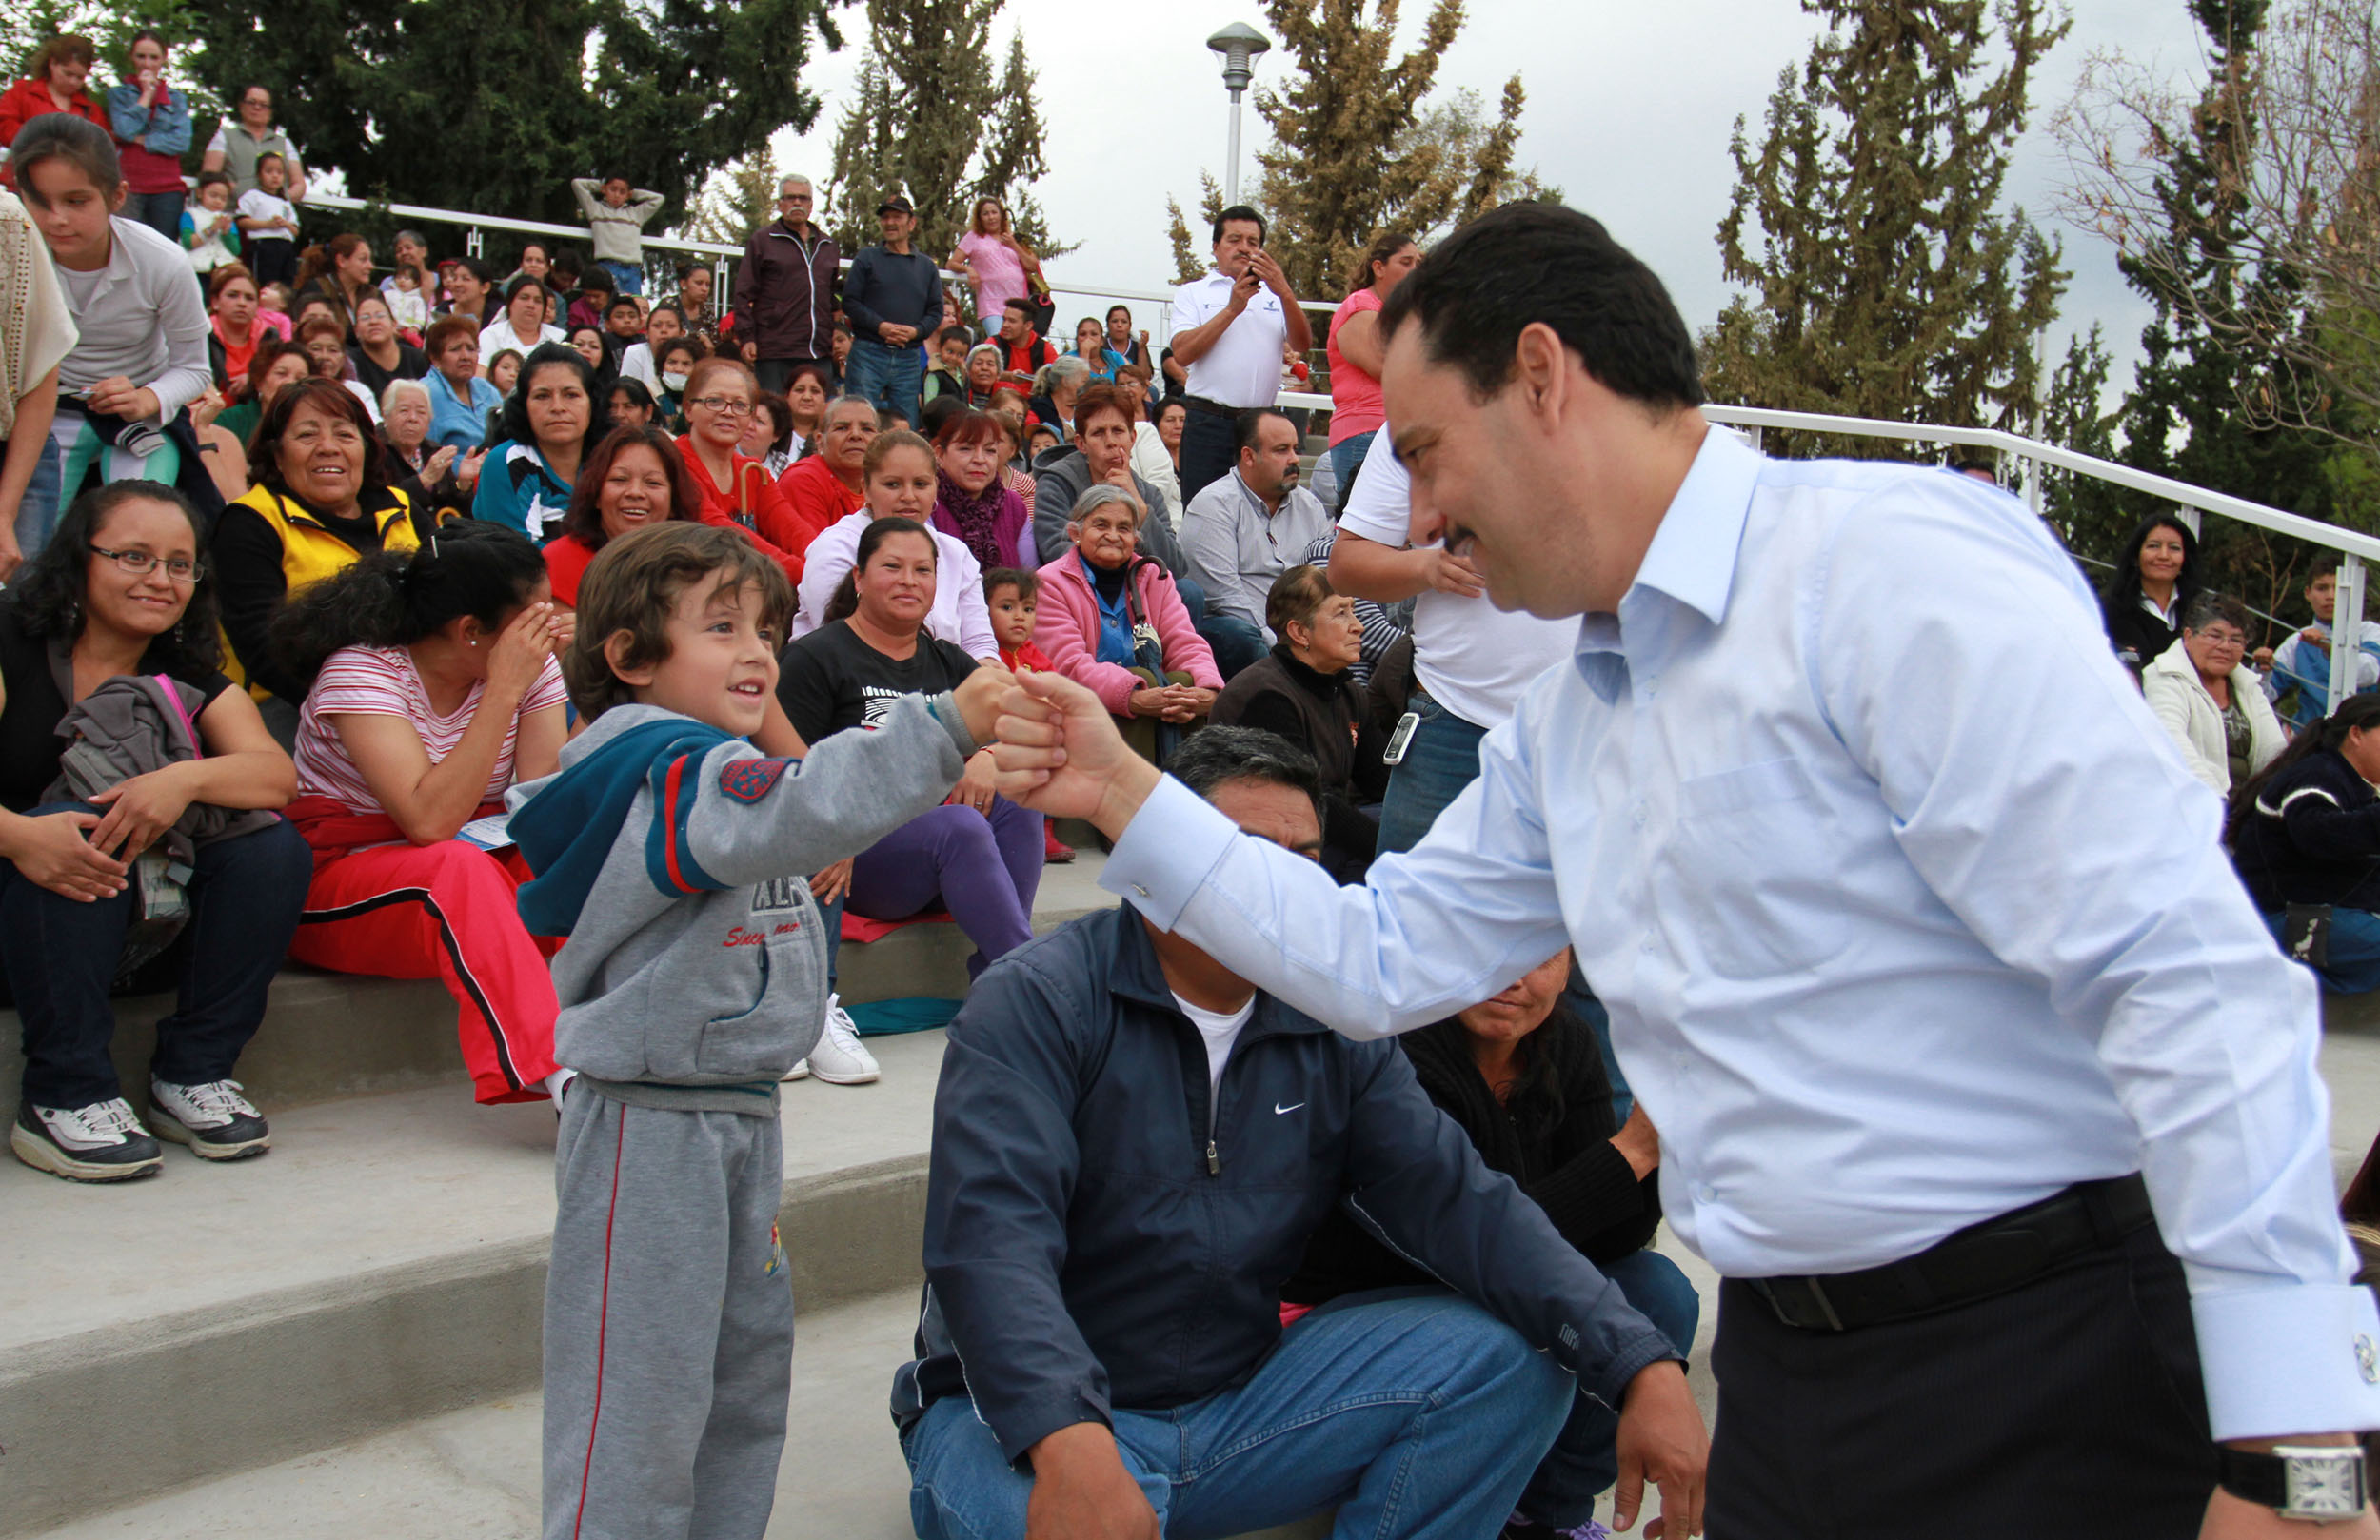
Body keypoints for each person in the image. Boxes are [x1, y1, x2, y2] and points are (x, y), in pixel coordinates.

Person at [989, 201, 2380, 1539]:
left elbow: (2184, 971)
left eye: (1423, 449)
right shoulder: (1571, 722)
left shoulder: (1886, 571)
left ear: (1543, 375)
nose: (1417, 509)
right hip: (1787, 1371)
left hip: (2053, 1364)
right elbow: (1374, 955)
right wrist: (1121, 788)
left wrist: (2298, 1448)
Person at [894, 725, 1704, 1540]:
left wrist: (1641, 1364)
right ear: (1160, 852)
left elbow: (1466, 1206)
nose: (1277, 883)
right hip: (1024, 1426)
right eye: (1244, 853)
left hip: (1237, 1406)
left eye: (1305, 859)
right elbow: (992, 1245)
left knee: (1518, 1358)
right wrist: (1069, 1440)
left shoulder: (1330, 1022)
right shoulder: (1038, 999)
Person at [516, 522, 1002, 1539]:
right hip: (653, 1130)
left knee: (740, 1383)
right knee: (639, 1402)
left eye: (767, 631)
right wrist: (944, 724)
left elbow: (793, 806)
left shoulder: (714, 774)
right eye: (722, 627)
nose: (757, 653)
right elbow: (802, 800)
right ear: (630, 656)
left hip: (735, 1114)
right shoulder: (662, 767)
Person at [1281, 944, 1695, 1539]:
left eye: (1541, 958)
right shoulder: (1398, 1051)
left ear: (1570, 970)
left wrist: (1656, 1150)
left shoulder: (1565, 1043)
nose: (1514, 978)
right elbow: (1481, 1242)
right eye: (1493, 947)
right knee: (1522, 1331)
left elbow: (1609, 1239)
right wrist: (1628, 1152)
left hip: (1486, 1278)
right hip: (1370, 1298)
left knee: (1656, 1290)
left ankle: (1542, 1517)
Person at [1, 483, 308, 1181]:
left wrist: (180, 781)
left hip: (127, 928)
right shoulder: (12, 641)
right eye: (134, 557)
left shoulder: (185, 675)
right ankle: (62, 1093)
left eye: (179, 564)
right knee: (71, 827)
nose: (160, 580)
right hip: (19, 913)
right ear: (80, 557)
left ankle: (194, 1074)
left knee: (271, 849)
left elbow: (275, 777)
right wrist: (18, 837)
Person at [269, 523, 567, 1108]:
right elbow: (427, 822)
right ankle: (559, 1075)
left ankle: (640, 1040)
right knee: (455, 867)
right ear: (470, 631)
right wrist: (504, 692)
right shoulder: (362, 673)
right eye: (533, 615)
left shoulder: (530, 667)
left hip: (472, 862)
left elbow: (543, 807)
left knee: (569, 857)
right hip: (343, 883)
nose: (550, 626)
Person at [779, 515, 1035, 981]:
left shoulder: (946, 659)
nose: (909, 581)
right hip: (859, 860)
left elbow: (1022, 723)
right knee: (958, 825)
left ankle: (998, 974)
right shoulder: (815, 658)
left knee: (1020, 790)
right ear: (859, 578)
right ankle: (1025, 977)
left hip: (948, 857)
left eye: (923, 570)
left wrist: (989, 755)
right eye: (892, 567)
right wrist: (835, 831)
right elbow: (786, 773)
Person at [1331, 427, 1575, 859]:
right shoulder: (1418, 418)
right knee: (1408, 900)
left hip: (1589, 730)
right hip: (1452, 720)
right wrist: (1427, 567)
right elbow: (1346, 565)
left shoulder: (1621, 413)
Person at [18, 114, 217, 528]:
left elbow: (195, 369)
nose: (56, 219)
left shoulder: (164, 261)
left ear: (117, 196)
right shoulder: (13, 256)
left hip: (140, 417)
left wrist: (147, 398)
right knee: (31, 540)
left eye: (76, 201)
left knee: (137, 526)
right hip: (47, 414)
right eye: (39, 200)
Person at [1210, 564, 1386, 878]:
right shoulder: (1266, 695)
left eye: (1354, 611)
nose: (1358, 626)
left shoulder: (1347, 691)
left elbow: (1380, 782)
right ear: (1300, 632)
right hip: (1261, 850)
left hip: (1318, 831)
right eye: (1341, 614)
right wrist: (1391, 849)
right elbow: (1308, 800)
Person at [1033, 484, 1220, 764]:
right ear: (1076, 533)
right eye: (1101, 525)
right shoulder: (1049, 583)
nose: (1113, 535)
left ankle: (1190, 785)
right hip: (1082, 710)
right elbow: (1068, 665)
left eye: (1123, 528)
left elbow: (1184, 641)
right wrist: (1132, 697)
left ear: (1135, 538)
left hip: (1153, 703)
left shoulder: (1154, 576)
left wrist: (1208, 690)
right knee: (1147, 682)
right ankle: (1140, 788)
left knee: (1185, 685)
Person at [795, 432, 995, 659]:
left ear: (936, 487)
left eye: (920, 484)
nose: (909, 496)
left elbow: (980, 645)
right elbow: (838, 639)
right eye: (893, 484)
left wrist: (986, 668)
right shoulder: (835, 547)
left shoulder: (955, 553)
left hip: (949, 676)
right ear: (866, 488)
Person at [2230, 695, 2380, 994]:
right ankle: (2276, 982)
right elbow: (2317, 835)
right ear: (2356, 733)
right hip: (2275, 919)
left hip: (2320, 915)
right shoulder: (2316, 775)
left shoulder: (2348, 781)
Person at [1168, 205, 1310, 503]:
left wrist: (1285, 291)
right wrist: (1232, 309)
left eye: (1253, 242)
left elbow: (1302, 343)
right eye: (1234, 240)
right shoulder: (1193, 293)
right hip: (1209, 423)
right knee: (1204, 509)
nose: (1244, 248)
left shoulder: (1275, 296)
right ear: (1216, 247)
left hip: (1261, 426)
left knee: (1263, 511)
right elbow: (1182, 353)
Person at [1180, 407, 1332, 644]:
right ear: (1249, 456)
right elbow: (1225, 598)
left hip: (1304, 634)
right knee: (1242, 635)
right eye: (1282, 450)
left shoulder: (1310, 506)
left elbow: (1325, 581)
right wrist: (1281, 645)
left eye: (1295, 449)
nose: (1294, 459)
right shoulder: (1213, 506)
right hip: (1243, 635)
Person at [541, 424, 701, 608]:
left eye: (653, 482)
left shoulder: (695, 567)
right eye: (619, 479)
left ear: (674, 500)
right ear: (596, 495)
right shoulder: (560, 560)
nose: (635, 492)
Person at [2144, 591, 2286, 797]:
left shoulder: (2248, 684)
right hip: (2192, 798)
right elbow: (2172, 743)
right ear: (2188, 637)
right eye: (2215, 636)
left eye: (2236, 640)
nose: (2225, 647)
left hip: (2248, 803)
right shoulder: (2163, 676)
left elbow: (2275, 751)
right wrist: (2215, 803)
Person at [673, 357, 803, 581]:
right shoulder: (673, 462)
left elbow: (793, 529)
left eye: (740, 405)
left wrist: (824, 562)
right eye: (714, 401)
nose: (728, 412)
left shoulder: (753, 471)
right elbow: (725, 536)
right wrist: (811, 575)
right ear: (688, 409)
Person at [2, 185, 74, 575]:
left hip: (12, 453)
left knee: (19, 602)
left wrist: (5, 513)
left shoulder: (7, 220)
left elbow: (41, 369)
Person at [473, 343, 603, 543]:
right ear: (523, 405)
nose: (557, 407)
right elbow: (519, 554)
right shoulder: (506, 461)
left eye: (571, 395)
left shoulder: (609, 461)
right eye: (542, 396)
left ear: (591, 402)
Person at [1326, 231, 1418, 502]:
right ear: (1379, 267)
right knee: (1366, 522)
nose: (1415, 270)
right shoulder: (1360, 306)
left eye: (1418, 263)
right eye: (1406, 262)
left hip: (1395, 431)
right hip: (1365, 432)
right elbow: (1384, 366)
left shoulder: (1398, 315)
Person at [734, 174, 841, 395]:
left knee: (817, 413)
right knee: (774, 411)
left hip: (818, 352)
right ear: (780, 203)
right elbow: (743, 293)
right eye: (791, 198)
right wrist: (747, 338)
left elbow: (830, 296)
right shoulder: (763, 240)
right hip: (775, 350)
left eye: (803, 198)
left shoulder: (828, 245)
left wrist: (836, 331)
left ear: (811, 205)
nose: (797, 203)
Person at [843, 194, 942, 422]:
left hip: (908, 357)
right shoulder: (866, 258)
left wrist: (916, 331)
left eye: (897, 217)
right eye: (885, 217)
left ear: (911, 223)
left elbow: (936, 311)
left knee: (905, 423)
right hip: (868, 352)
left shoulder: (927, 267)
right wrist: (880, 327)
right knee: (859, 417)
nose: (890, 222)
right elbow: (850, 301)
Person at [2266, 566, 2380, 730]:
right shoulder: (2297, 641)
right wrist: (2262, 668)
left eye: (2339, 589)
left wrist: (2330, 649)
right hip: (2311, 736)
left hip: (2362, 734)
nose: (2330, 596)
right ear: (2307, 593)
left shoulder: (2370, 632)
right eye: (2322, 588)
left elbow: (2367, 675)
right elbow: (2265, 694)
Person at [104, 32, 192, 243]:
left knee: (164, 248)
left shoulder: (177, 99)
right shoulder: (118, 95)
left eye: (154, 57)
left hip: (167, 189)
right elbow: (124, 130)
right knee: (127, 246)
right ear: (131, 57)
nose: (147, 63)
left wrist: (140, 140)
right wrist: (146, 96)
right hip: (128, 186)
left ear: (163, 59)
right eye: (141, 56)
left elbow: (182, 142)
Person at [930, 407, 1036, 573]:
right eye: (966, 449)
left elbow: (1031, 576)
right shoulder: (928, 503)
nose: (980, 460)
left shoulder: (1014, 505)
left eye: (990, 451)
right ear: (940, 455)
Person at [2101, 511, 2200, 677]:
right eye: (2153, 546)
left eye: (2174, 548)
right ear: (2136, 556)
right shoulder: (2109, 610)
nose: (2164, 555)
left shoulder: (2201, 609)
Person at [0, 36, 107, 189]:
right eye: (68, 74)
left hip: (69, 185)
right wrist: (42, 143)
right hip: (23, 182)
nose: (73, 82)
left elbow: (100, 149)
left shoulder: (91, 109)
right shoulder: (23, 92)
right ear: (52, 63)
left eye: (80, 77)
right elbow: (4, 125)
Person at [776, 393, 876, 549]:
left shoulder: (882, 483)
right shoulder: (802, 480)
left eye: (867, 429)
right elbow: (814, 553)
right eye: (842, 428)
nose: (856, 435)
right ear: (819, 441)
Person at [948, 196, 1043, 328]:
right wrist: (968, 269)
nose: (991, 217)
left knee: (1016, 341)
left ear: (1001, 215)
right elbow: (951, 263)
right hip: (991, 304)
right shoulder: (973, 237)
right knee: (997, 339)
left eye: (994, 212)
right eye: (985, 214)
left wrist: (1014, 245)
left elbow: (1032, 266)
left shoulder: (1013, 238)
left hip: (1019, 304)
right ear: (980, 218)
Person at [200, 84, 304, 200]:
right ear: (241, 106)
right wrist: (234, 190)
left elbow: (299, 184)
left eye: (263, 105)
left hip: (275, 210)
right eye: (251, 102)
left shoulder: (284, 143)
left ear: (270, 112)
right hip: (234, 209)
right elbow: (210, 175)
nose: (257, 107)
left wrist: (280, 200)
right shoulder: (224, 136)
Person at [567, 172, 662, 295]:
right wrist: (603, 185)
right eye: (613, 190)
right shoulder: (595, 210)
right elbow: (577, 184)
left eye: (622, 192)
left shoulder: (636, 214)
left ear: (628, 195)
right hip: (608, 267)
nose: (617, 195)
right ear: (604, 190)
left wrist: (632, 193)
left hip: (632, 270)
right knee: (608, 302)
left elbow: (658, 199)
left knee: (633, 302)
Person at [422, 314, 501, 454]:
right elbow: (425, 453)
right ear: (435, 358)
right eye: (455, 349)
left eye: (471, 349)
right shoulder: (426, 394)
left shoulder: (486, 389)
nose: (466, 356)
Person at [208, 337, 307, 448]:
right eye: (281, 373)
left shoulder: (311, 423)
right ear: (259, 381)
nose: (290, 382)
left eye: (300, 378)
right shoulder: (229, 420)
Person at [1114, 363, 1180, 520]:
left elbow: (1161, 483)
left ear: (1145, 388)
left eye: (1131, 384)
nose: (1126, 389)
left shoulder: (1147, 427)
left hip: (1159, 517)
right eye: (1121, 385)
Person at [231, 152, 300, 289]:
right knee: (263, 283)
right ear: (259, 175)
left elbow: (295, 230)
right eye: (269, 171)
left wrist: (285, 224)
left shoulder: (285, 203)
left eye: (279, 172)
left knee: (286, 285)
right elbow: (242, 221)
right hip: (263, 245)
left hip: (285, 246)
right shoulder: (253, 196)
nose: (275, 176)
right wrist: (267, 224)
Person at [347, 289, 428, 401]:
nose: (373, 322)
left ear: (394, 324)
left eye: (380, 316)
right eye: (365, 318)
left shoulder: (417, 358)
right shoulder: (350, 363)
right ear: (356, 330)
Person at [481, 275, 564, 371]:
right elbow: (481, 375)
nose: (531, 305)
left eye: (538, 301)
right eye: (524, 298)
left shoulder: (559, 337)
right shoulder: (491, 335)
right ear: (510, 303)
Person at [182, 173, 241, 290]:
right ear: (200, 193)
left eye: (223, 198)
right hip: (197, 268)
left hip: (224, 268)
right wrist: (212, 229)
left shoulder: (227, 219)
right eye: (213, 195)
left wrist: (226, 233)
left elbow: (236, 250)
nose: (218, 201)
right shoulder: (190, 215)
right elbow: (189, 242)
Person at [614, 300, 683, 392]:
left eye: (671, 326)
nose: (664, 330)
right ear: (646, 333)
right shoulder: (635, 352)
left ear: (681, 334)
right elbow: (627, 393)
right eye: (657, 326)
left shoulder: (689, 356)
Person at [990, 298, 1057, 377]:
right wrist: (1010, 377)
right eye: (1004, 319)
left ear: (1028, 326)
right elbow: (983, 372)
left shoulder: (1045, 349)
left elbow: (1056, 378)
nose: (1005, 325)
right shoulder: (994, 343)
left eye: (1012, 321)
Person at [1027, 355, 1087, 443]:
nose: (1087, 386)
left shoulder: (1085, 409)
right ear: (1065, 381)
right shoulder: (1039, 409)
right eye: (1084, 381)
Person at [742, 388, 797, 478]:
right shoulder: (724, 455)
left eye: (759, 422)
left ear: (776, 434)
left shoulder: (785, 466)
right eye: (748, 417)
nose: (750, 426)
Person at [782, 365, 828, 459]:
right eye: (800, 390)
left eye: (815, 391)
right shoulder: (774, 437)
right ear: (786, 396)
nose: (807, 397)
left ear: (824, 398)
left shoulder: (830, 439)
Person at [438, 256, 495, 327]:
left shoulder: (498, 314)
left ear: (485, 287)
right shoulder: (441, 311)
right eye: (455, 278)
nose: (457, 284)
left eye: (465, 279)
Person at [922, 326, 970, 408]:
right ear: (939, 348)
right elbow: (929, 404)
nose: (954, 358)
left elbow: (965, 403)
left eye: (960, 355)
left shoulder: (963, 375)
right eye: (950, 352)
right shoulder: (935, 374)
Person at [1103, 304, 1149, 372]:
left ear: (1130, 326)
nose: (1119, 325)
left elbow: (1145, 375)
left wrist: (1142, 348)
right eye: (1114, 321)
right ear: (1107, 325)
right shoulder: (1101, 346)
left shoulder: (1137, 347)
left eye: (1124, 322)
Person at [1069, 318, 1115, 384]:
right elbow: (1078, 385)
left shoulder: (1113, 357)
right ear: (1077, 340)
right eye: (1083, 334)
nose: (1088, 338)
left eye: (1094, 334)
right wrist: (1085, 352)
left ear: (1102, 341)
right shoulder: (1068, 359)